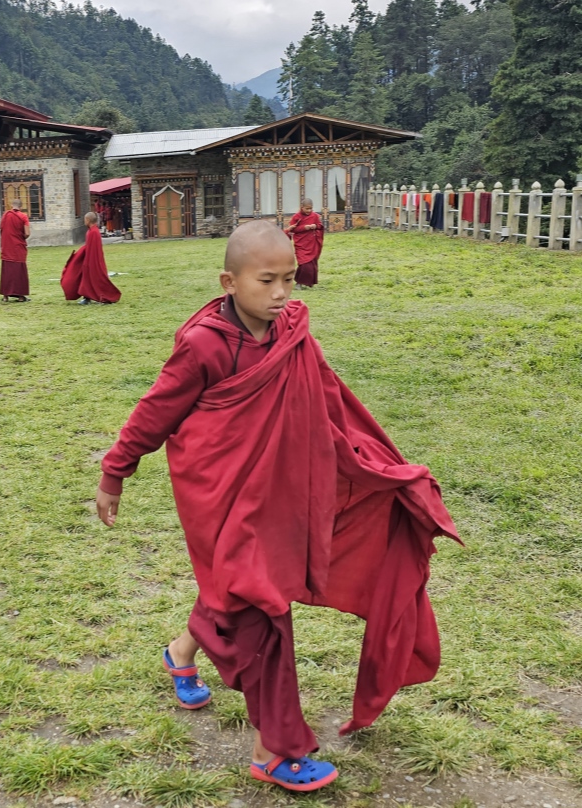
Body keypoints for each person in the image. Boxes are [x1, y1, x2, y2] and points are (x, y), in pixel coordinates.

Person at [95, 222, 459, 793]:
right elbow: (155, 411)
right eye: (267, 281)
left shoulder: (291, 331)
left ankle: (180, 653)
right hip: (219, 493)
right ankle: (275, 749)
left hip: (277, 491)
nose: (282, 293)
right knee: (259, 603)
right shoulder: (204, 344)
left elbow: (329, 400)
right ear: (229, 282)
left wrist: (374, 467)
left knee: (237, 586)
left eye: (289, 279)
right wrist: (115, 471)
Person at [61, 212, 121, 305]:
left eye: (85, 220)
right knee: (87, 279)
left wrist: (88, 263)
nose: (84, 222)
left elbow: (93, 249)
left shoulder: (93, 232)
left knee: (96, 278)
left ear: (88, 220)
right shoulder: (90, 231)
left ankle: (105, 296)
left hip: (93, 261)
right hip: (89, 259)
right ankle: (87, 298)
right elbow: (89, 247)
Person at [283, 199, 323, 289]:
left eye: (310, 208)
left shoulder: (315, 216)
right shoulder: (296, 217)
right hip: (301, 243)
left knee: (311, 264)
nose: (309, 211)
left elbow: (320, 226)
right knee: (304, 264)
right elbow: (293, 229)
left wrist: (315, 226)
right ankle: (299, 283)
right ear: (302, 207)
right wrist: (305, 227)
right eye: (307, 208)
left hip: (312, 243)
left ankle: (306, 282)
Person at [0, 198, 30, 303]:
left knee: (7, 271)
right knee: (19, 271)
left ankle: (5, 296)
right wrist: (21, 237)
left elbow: (2, 229)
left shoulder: (5, 215)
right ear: (21, 207)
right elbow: (27, 233)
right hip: (18, 248)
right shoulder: (23, 216)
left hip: (7, 247)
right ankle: (20, 297)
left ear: (12, 206)